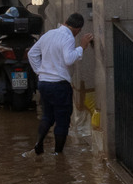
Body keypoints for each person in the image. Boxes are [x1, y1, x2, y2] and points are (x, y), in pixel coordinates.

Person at [28, 12, 93, 156]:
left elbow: (32, 54)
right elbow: (69, 59)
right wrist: (82, 47)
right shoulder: (68, 37)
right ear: (78, 29)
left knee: (47, 116)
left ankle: (38, 144)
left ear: (65, 21)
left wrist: (40, 71)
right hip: (59, 85)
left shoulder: (48, 34)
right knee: (62, 120)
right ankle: (58, 154)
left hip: (44, 83)